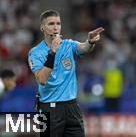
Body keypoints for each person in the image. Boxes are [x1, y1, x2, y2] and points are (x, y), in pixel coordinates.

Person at [28, 9, 104, 137]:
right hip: (49, 108)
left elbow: (84, 48)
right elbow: (42, 79)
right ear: (42, 28)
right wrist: (52, 52)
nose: (56, 27)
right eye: (51, 24)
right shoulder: (36, 52)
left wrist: (90, 41)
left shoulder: (68, 45)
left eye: (58, 23)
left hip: (71, 107)